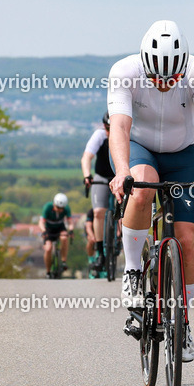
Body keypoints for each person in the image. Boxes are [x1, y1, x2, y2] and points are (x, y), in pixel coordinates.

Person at [108, 19, 194, 362]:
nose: (164, 84)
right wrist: (120, 172)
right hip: (139, 148)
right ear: (145, 64)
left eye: (172, 78)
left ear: (184, 66)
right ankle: (132, 270)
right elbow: (119, 126)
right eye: (157, 78)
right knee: (141, 188)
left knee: (187, 240)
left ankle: (183, 321)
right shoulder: (125, 71)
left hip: (181, 154)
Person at [81, 111, 116, 277]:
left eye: (113, 128)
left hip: (120, 177)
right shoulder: (100, 136)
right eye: (107, 128)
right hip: (102, 176)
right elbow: (87, 157)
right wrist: (87, 175)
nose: (110, 132)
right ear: (104, 126)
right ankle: (101, 252)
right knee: (98, 212)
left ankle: (121, 236)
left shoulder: (125, 133)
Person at [40, 192, 72, 276]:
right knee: (48, 248)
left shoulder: (66, 209)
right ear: (54, 204)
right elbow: (41, 222)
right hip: (48, 229)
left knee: (64, 238)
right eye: (58, 207)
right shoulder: (47, 207)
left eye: (62, 208)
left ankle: (63, 261)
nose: (60, 210)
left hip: (60, 228)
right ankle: (48, 271)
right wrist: (44, 231)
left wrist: (71, 230)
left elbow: (70, 222)